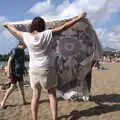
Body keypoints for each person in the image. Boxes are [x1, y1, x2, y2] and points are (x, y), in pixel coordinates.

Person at [3, 12, 86, 120]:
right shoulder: (47, 33)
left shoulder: (26, 35)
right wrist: (78, 18)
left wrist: (8, 25)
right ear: (42, 26)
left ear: (32, 26)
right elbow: (64, 27)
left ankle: (34, 118)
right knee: (51, 95)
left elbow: (15, 30)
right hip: (47, 69)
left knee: (35, 96)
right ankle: (54, 118)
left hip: (33, 70)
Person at [0, 42, 27, 108]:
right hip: (14, 72)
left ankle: (24, 101)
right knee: (13, 87)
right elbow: (9, 61)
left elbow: (21, 62)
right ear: (22, 44)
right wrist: (9, 72)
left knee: (21, 86)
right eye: (26, 44)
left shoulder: (23, 51)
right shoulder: (15, 50)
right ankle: (3, 102)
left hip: (20, 72)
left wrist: (24, 69)